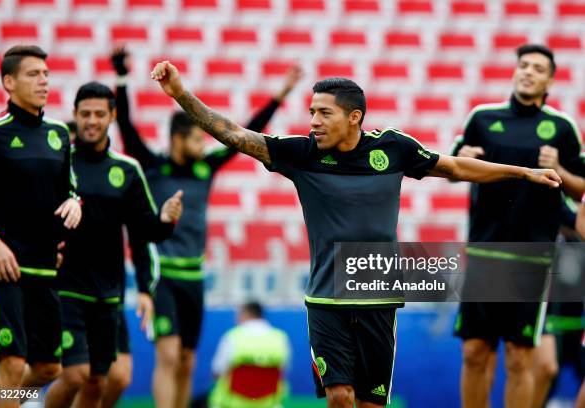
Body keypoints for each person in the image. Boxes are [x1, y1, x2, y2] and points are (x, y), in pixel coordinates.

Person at [150, 59, 561, 407]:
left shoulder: (394, 148)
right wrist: (181, 94)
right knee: (340, 396)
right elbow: (236, 136)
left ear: (354, 117)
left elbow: (453, 167)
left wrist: (523, 172)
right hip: (326, 298)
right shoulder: (302, 154)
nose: (313, 121)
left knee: (369, 401)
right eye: (311, 111)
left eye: (323, 113)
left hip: (378, 296)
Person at [111, 47, 303, 408]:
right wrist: (122, 78)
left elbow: (246, 135)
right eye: (197, 139)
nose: (203, 145)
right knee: (167, 357)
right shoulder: (153, 166)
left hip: (193, 278)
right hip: (162, 275)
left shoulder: (206, 168)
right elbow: (125, 126)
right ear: (178, 139)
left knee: (187, 360)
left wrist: (279, 97)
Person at [451, 44, 584, 408]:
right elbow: (451, 169)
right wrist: (462, 158)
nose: (528, 72)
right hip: (483, 253)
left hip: (531, 259)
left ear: (550, 80)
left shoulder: (561, 127)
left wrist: (561, 167)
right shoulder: (481, 118)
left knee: (518, 355)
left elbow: (581, 187)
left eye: (538, 68)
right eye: (523, 65)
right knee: (475, 352)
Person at [44, 82, 183, 408]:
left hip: (108, 293)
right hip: (64, 289)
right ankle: (20, 400)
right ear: (75, 116)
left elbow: (144, 233)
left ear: (112, 116)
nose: (91, 121)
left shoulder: (127, 170)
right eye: (85, 114)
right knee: (75, 375)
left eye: (99, 114)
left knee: (101, 381)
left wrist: (165, 220)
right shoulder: (58, 163)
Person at [0, 45, 82, 408]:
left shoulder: (58, 134)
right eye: (33, 74)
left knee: (50, 368)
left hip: (45, 267)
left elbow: (68, 189)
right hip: (3, 268)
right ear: (8, 81)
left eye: (46, 74)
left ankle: (1, 401)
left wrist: (74, 202)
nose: (43, 81)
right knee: (13, 362)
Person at [208, 301, 291, 408]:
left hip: (231, 403)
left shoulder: (232, 337)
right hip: (269, 404)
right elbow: (283, 371)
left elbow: (217, 372)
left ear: (246, 314)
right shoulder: (281, 339)